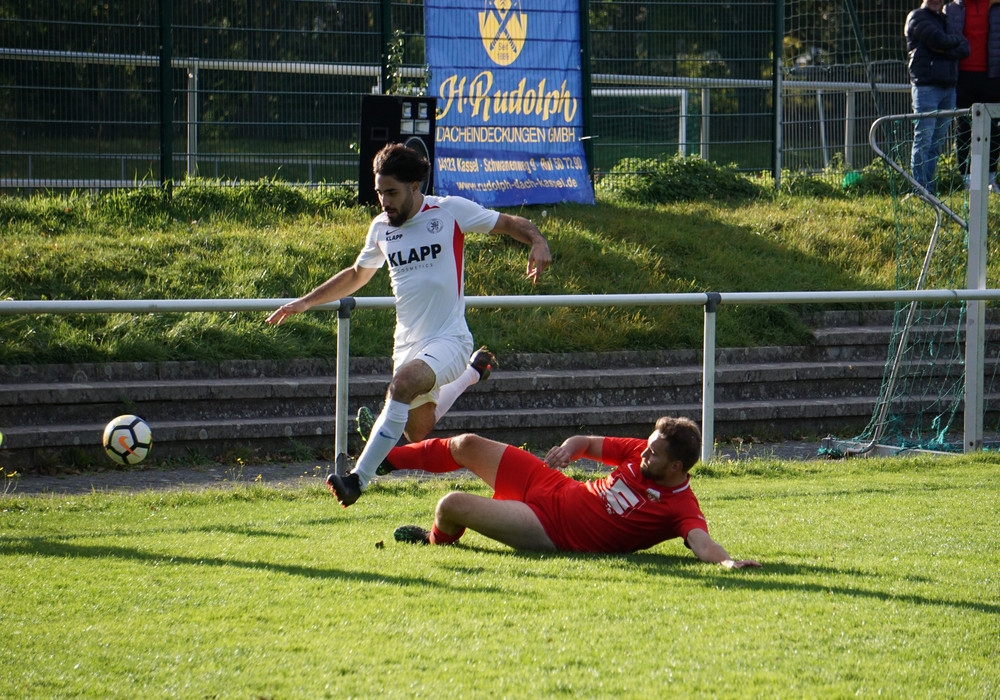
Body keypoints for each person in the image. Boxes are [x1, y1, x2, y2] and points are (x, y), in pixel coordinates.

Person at [266, 142, 551, 507]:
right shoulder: (381, 228)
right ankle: (473, 373)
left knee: (401, 386)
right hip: (407, 343)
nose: (384, 201)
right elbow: (356, 274)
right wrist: (306, 301)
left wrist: (537, 241)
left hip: (450, 338)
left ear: (415, 186)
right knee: (417, 431)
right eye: (380, 192)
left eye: (392, 192)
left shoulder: (449, 211)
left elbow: (509, 223)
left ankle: (357, 479)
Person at [386, 416, 762, 568]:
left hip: (548, 528)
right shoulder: (641, 451)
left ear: (676, 467)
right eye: (647, 446)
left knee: (450, 505)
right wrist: (569, 449)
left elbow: (703, 545)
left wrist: (728, 563)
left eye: (653, 453)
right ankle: (383, 459)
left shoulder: (680, 506)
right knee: (466, 443)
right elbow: (586, 442)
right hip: (551, 484)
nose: (644, 453)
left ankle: (433, 540)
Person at [905, 0, 970, 194]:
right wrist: (950, 45)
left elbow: (965, 48)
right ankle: (919, 188)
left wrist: (944, 47)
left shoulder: (946, 20)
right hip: (926, 87)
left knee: (937, 142)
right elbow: (938, 40)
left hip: (949, 88)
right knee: (924, 139)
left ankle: (929, 189)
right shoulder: (917, 17)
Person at [943, 0, 1000, 193]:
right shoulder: (952, 8)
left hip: (992, 76)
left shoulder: (995, 6)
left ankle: (990, 178)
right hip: (962, 76)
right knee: (963, 127)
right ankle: (966, 178)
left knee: (994, 129)